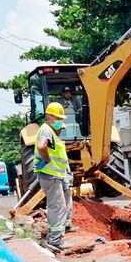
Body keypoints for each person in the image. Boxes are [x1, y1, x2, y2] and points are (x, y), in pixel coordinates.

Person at [34, 102, 78, 253]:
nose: (60, 121)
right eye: (58, 118)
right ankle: (54, 241)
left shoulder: (50, 132)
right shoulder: (46, 130)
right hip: (50, 175)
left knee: (59, 206)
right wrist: (47, 159)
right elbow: (41, 147)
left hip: (54, 176)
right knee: (57, 207)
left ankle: (55, 239)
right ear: (49, 117)